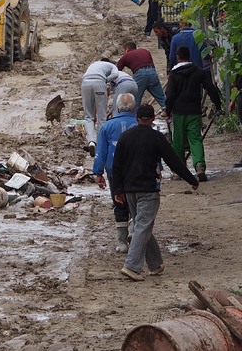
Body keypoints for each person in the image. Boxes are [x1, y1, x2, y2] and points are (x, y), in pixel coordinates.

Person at [112, 104, 200, 281]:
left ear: (137, 117)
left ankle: (155, 264)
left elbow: (117, 166)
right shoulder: (156, 137)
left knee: (143, 225)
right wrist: (192, 180)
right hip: (148, 189)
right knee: (143, 226)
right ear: (152, 119)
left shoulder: (125, 137)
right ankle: (131, 266)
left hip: (129, 190)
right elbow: (174, 161)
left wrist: (117, 190)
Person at [164, 46, 223, 182]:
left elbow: (170, 95)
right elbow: (211, 89)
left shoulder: (174, 74)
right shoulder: (198, 71)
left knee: (178, 140)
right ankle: (199, 165)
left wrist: (167, 111)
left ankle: (179, 170)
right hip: (194, 111)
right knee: (195, 138)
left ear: (178, 58)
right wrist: (218, 105)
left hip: (178, 112)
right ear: (189, 57)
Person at [92, 93, 138, 253]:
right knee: (136, 203)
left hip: (114, 172)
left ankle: (122, 242)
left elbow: (101, 152)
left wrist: (98, 173)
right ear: (134, 107)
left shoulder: (107, 126)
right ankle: (134, 232)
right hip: (136, 171)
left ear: (117, 108)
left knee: (119, 203)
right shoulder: (139, 124)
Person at [81, 59, 120, 157]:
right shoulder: (112, 66)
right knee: (101, 116)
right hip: (99, 83)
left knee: (88, 116)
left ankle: (91, 141)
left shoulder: (93, 64)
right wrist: (106, 80)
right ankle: (101, 143)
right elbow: (115, 75)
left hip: (85, 83)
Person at [116, 41, 166, 109]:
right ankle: (170, 114)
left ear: (127, 49)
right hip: (152, 72)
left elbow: (116, 71)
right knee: (162, 97)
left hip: (140, 75)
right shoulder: (145, 51)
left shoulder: (126, 56)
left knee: (136, 100)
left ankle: (135, 117)